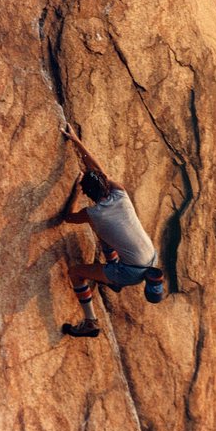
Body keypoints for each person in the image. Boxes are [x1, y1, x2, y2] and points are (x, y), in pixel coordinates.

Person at [60, 123, 158, 338]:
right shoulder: (120, 193)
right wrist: (76, 141)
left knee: (75, 272)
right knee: (104, 234)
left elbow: (67, 218)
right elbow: (99, 170)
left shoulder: (94, 214)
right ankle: (112, 278)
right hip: (151, 257)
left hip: (131, 271)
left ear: (88, 193)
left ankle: (90, 322)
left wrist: (75, 194)